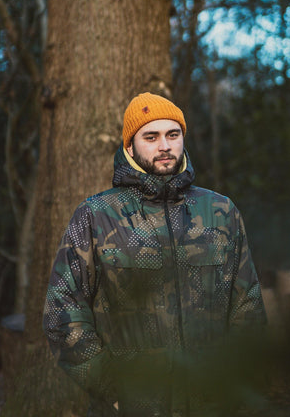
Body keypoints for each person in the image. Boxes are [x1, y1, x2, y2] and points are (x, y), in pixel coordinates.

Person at [43, 92, 266, 417]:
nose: (165, 145)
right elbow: (62, 312)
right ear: (130, 147)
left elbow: (248, 306)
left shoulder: (220, 210)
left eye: (172, 135)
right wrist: (112, 388)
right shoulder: (95, 215)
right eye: (152, 136)